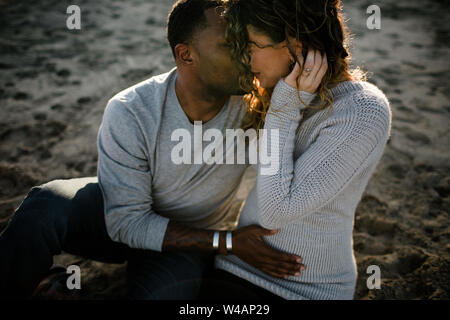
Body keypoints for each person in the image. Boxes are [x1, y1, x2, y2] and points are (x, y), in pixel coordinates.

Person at [0, 0, 304, 300]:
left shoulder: (258, 105)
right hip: (121, 213)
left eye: (245, 42)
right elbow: (126, 221)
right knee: (45, 205)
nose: (244, 55)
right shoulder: (130, 110)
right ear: (186, 55)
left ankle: (59, 290)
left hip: (187, 242)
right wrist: (229, 242)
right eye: (229, 44)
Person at [210, 0, 392, 299]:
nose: (246, 57)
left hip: (304, 288)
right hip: (236, 266)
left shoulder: (361, 110)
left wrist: (283, 111)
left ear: (295, 44)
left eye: (253, 45)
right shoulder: (281, 93)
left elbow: (275, 212)